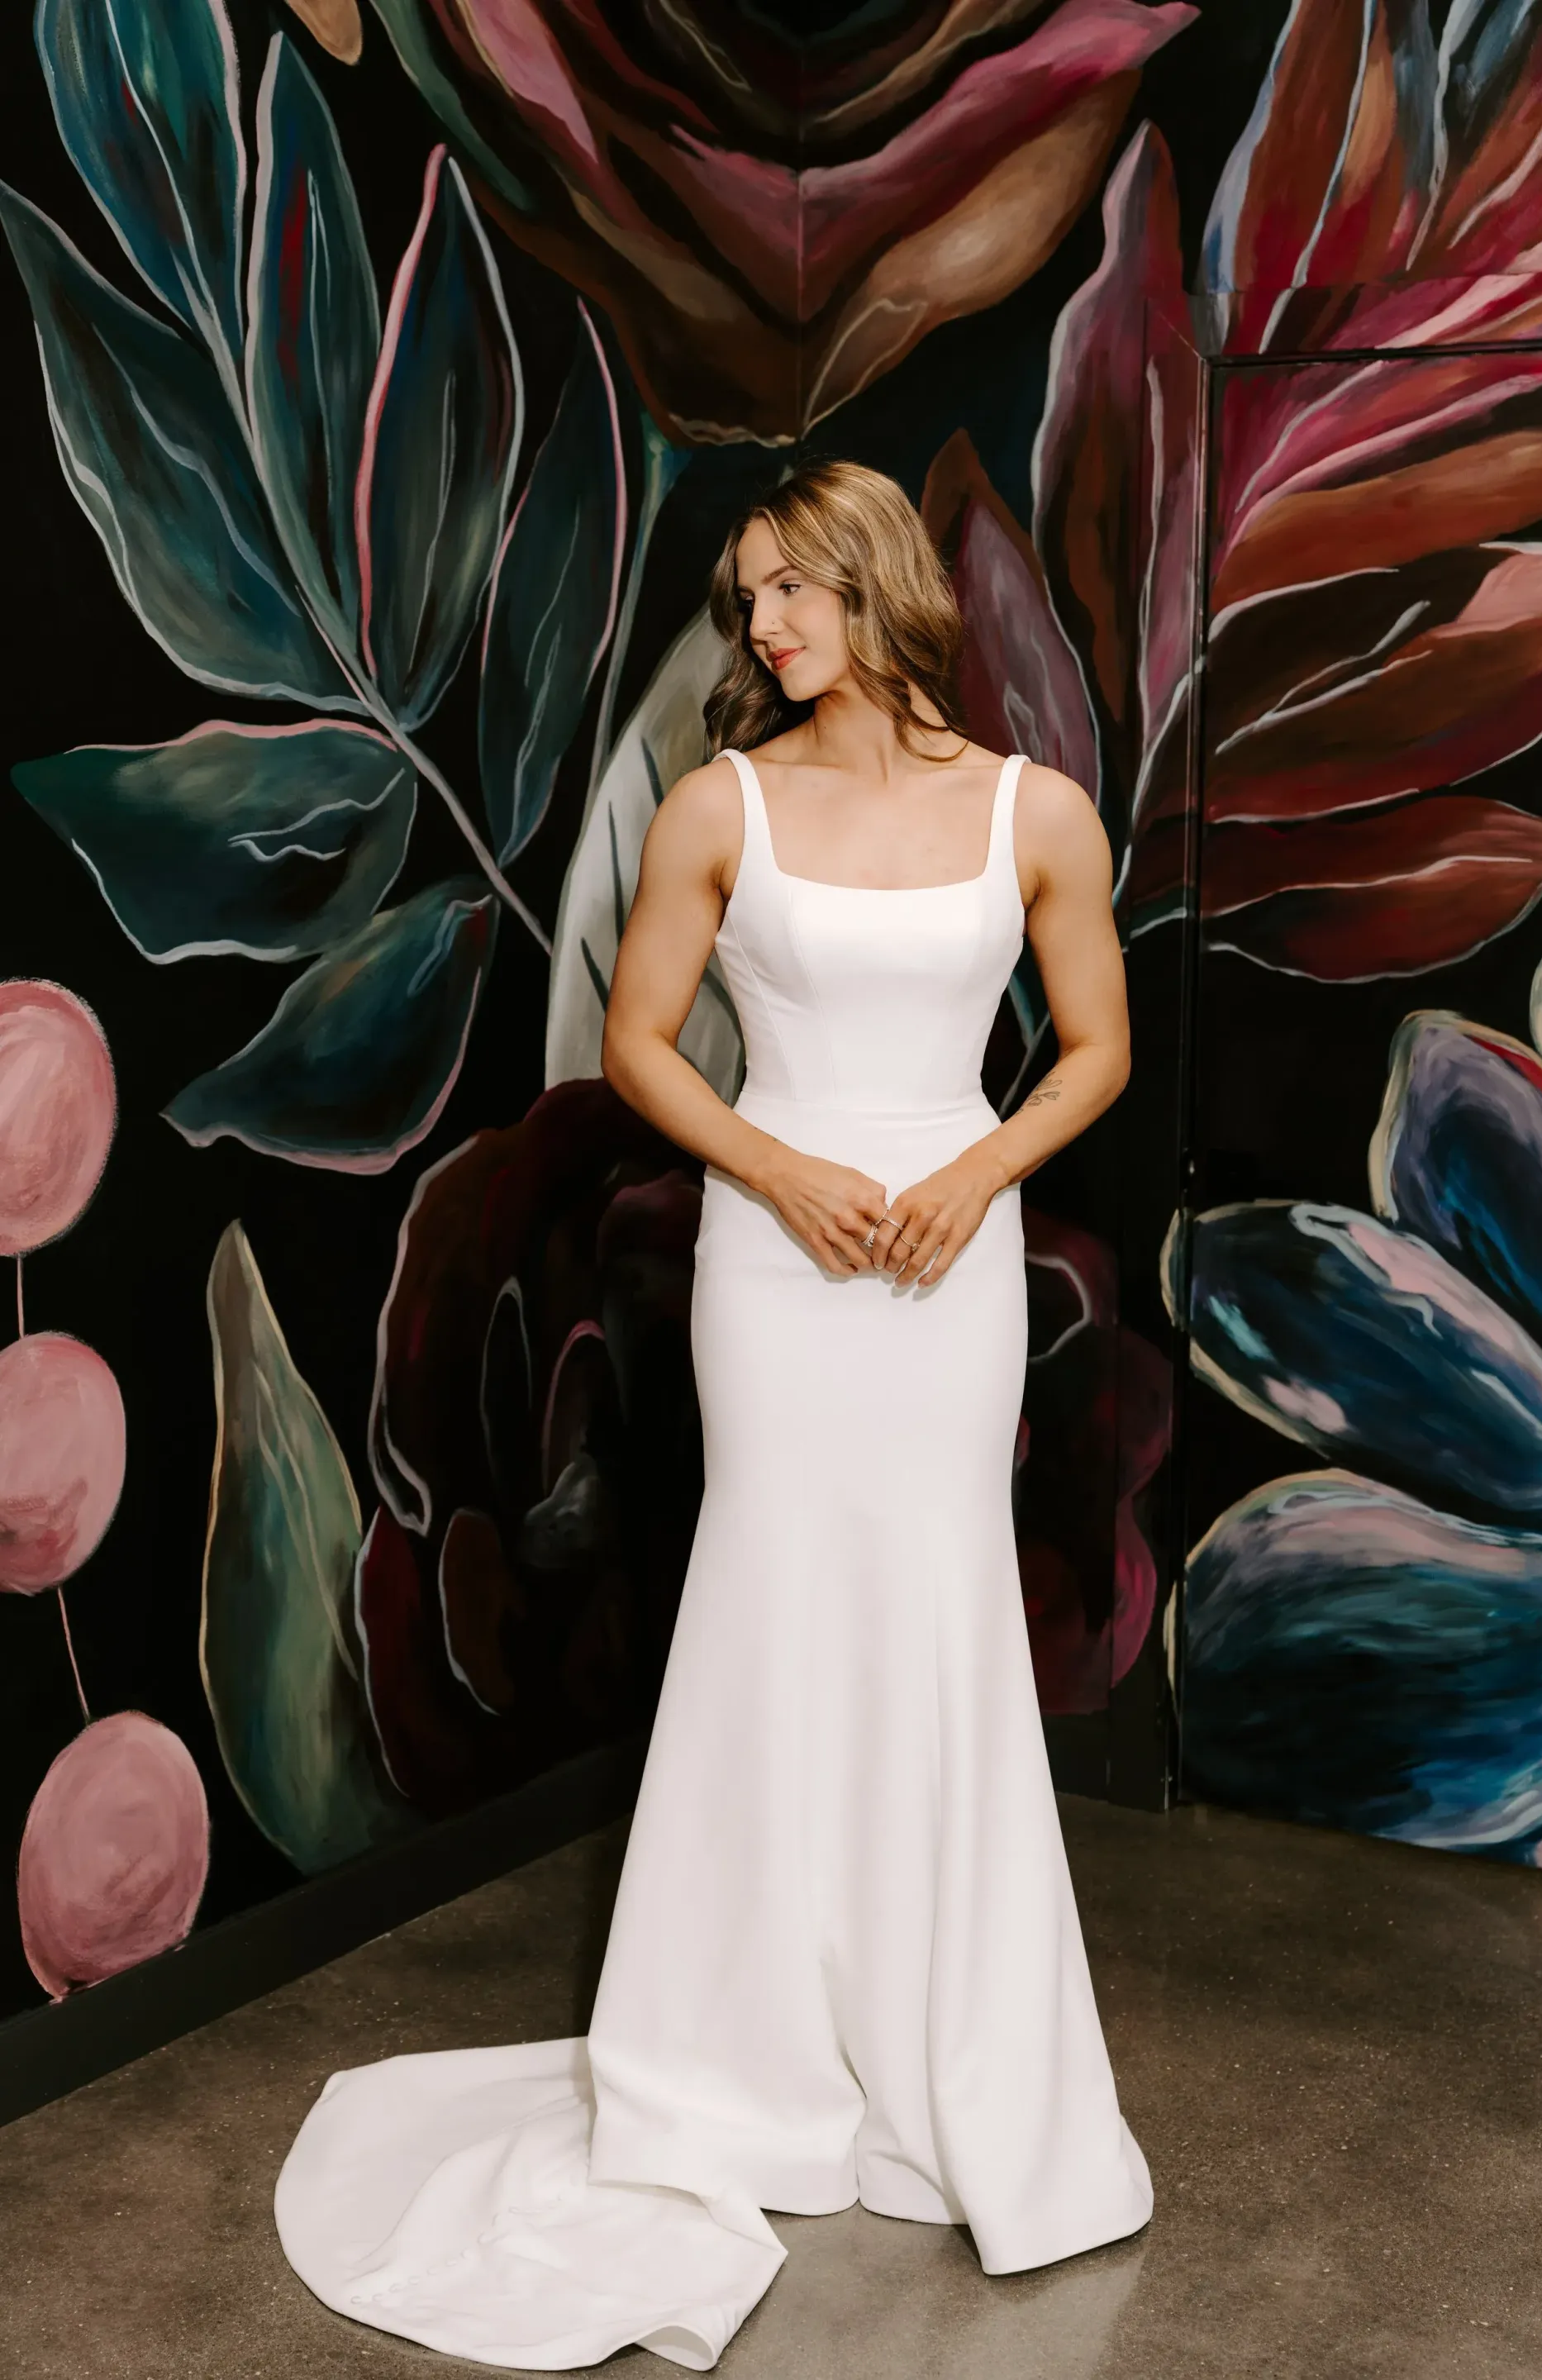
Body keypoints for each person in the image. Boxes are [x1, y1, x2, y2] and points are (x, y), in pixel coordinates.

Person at [274, 458, 1149, 2371]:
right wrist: (782, 1174)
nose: (761, 627)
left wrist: (976, 1174)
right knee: (770, 1612)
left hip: (947, 1264)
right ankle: (736, 2053)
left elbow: (1098, 1049)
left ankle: (947, 2060)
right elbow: (638, 1045)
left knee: (937, 1617)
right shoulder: (717, 803)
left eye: (792, 591)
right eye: (747, 596)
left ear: (875, 584)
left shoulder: (1037, 814)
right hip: (785, 1260)